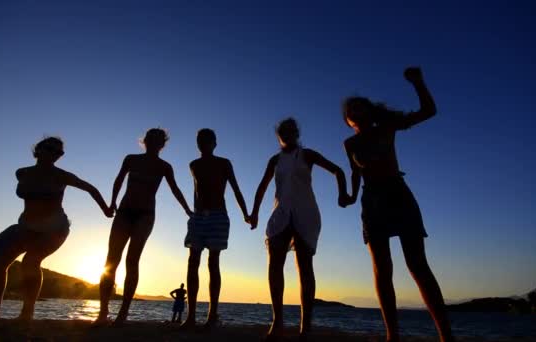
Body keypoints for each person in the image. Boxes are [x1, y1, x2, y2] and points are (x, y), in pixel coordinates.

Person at [341, 67, 453, 342]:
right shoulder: (349, 143)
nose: (355, 112)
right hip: (372, 202)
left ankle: (446, 336)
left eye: (360, 107)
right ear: (347, 120)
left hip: (398, 194)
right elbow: (357, 174)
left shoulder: (387, 127)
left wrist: (418, 83)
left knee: (417, 265)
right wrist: (351, 196)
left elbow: (428, 111)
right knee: (382, 269)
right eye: (350, 110)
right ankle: (393, 336)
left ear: (368, 111)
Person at [0, 136, 112, 322]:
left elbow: (90, 188)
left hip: (54, 229)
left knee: (30, 262)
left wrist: (106, 209)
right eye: (50, 148)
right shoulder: (22, 173)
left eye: (59, 152)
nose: (54, 154)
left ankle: (27, 314)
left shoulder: (62, 176)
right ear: (38, 149)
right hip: (26, 227)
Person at [248, 118, 348, 340]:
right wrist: (254, 213)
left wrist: (344, 194)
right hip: (281, 214)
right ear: (278, 135)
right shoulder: (275, 160)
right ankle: (278, 322)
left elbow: (338, 171)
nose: (287, 133)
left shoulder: (308, 155)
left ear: (297, 133)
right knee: (275, 265)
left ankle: (306, 327)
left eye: (291, 130)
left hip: (306, 214)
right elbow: (262, 187)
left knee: (305, 267)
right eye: (283, 131)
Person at [94, 128, 193, 326]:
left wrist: (187, 210)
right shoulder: (131, 159)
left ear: (162, 144)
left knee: (132, 260)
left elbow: (175, 189)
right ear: (144, 140)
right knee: (111, 260)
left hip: (145, 216)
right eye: (150, 138)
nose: (154, 142)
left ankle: (123, 314)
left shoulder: (164, 167)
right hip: (124, 212)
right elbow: (119, 179)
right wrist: (112, 202)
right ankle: (103, 312)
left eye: (158, 139)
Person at [180, 128, 250, 329]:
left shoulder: (224, 163)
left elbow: (235, 188)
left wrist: (246, 213)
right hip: (198, 216)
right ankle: (191, 317)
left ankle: (212, 316)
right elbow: (196, 191)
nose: (203, 143)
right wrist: (193, 213)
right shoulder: (193, 165)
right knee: (193, 261)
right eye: (200, 140)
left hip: (218, 216)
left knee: (213, 262)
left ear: (214, 143)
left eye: (207, 140)